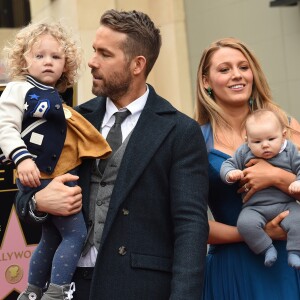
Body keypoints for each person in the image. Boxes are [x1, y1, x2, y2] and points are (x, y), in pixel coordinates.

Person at [15, 9, 209, 300]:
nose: (92, 62)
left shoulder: (180, 130)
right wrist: (40, 202)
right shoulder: (68, 119)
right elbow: (24, 199)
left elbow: (191, 227)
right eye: (94, 50)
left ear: (137, 64)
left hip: (140, 289)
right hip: (69, 288)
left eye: (104, 54)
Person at [0, 21, 111, 300]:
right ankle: (57, 291)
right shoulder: (18, 89)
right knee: (75, 235)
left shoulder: (58, 98)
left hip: (49, 175)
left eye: (56, 57)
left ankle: (32, 291)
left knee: (50, 238)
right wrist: (21, 158)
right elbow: (5, 128)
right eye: (39, 56)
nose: (48, 62)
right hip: (37, 176)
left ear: (67, 63)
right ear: (24, 59)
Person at [195, 37, 300, 300]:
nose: (237, 75)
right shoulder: (194, 140)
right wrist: (254, 234)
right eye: (224, 69)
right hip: (231, 267)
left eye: (243, 67)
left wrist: (276, 176)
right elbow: (187, 224)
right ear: (206, 81)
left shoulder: (287, 127)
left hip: (290, 263)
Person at [220, 109, 300, 268]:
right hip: (255, 207)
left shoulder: (290, 150)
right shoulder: (244, 152)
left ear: (283, 135)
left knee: (298, 220)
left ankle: (295, 252)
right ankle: (266, 248)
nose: (265, 145)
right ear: (247, 140)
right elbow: (227, 164)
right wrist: (230, 174)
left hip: (286, 204)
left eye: (271, 139)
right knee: (244, 224)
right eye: (257, 142)